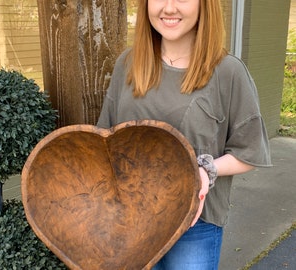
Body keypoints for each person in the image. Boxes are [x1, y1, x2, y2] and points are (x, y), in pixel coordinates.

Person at [97, 0, 272, 269]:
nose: (168, 8)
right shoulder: (128, 64)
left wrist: (205, 169)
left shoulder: (228, 72)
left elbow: (249, 152)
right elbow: (104, 141)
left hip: (193, 225)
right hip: (128, 220)